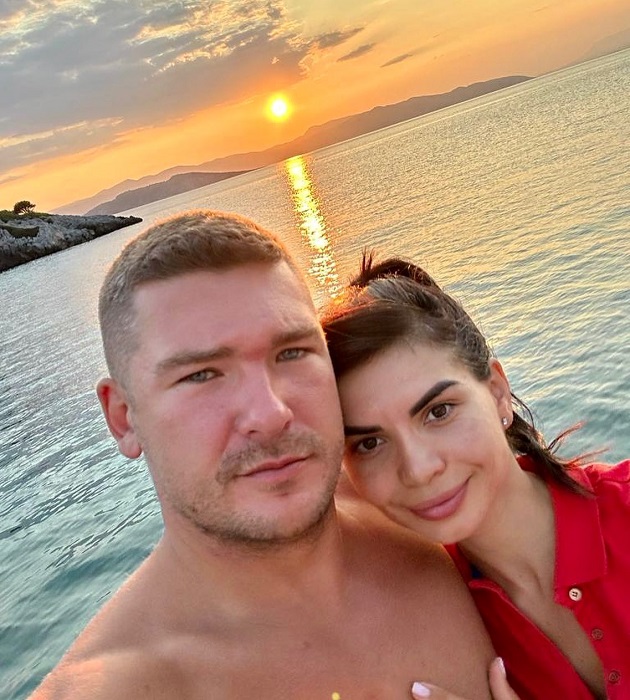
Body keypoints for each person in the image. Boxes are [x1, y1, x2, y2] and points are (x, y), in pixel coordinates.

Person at [29, 211, 513, 700]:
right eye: (201, 375)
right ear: (123, 417)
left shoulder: (419, 501)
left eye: (291, 353)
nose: (270, 413)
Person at [321, 254, 630, 700]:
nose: (419, 469)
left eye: (439, 412)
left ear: (498, 393)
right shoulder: (441, 614)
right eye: (369, 443)